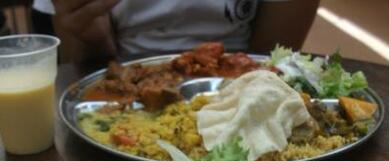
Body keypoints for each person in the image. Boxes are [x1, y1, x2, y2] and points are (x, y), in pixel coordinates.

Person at [32, 0, 319, 64]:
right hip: (121, 75)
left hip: (241, 70)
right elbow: (80, 63)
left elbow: (272, 60)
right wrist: (90, 34)